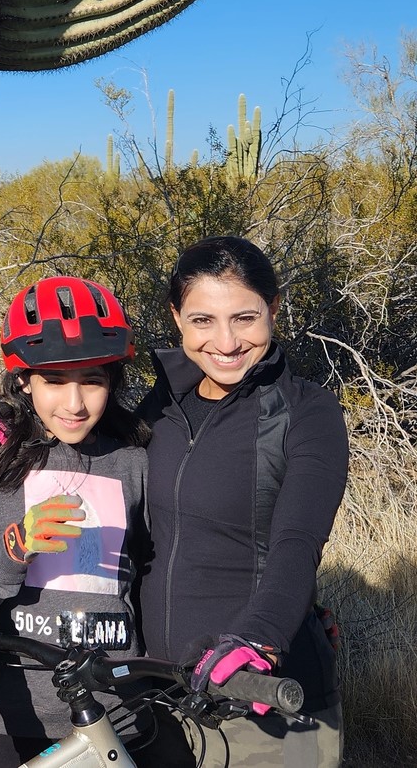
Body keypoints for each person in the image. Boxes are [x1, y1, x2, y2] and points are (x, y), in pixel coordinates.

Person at [134, 235, 347, 767]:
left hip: (261, 703)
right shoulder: (162, 405)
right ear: (176, 317)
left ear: (274, 310)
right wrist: (12, 429)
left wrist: (261, 640)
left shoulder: (307, 413)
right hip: (159, 700)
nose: (225, 343)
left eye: (245, 318)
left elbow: (298, 541)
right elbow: (88, 451)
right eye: (203, 320)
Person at [0, 276, 151, 767]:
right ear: (23, 381)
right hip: (19, 715)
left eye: (94, 381)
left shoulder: (134, 458)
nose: (75, 403)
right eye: (55, 381)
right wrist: (16, 546)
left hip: (122, 711)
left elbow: (152, 572)